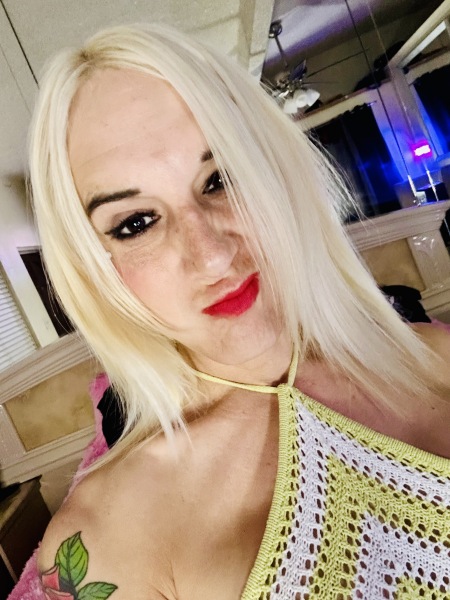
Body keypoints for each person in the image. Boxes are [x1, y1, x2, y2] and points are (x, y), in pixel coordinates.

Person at [22, 23, 450, 599]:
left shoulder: (439, 357)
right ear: (94, 271)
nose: (213, 256)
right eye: (136, 223)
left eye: (220, 178)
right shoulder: (107, 540)